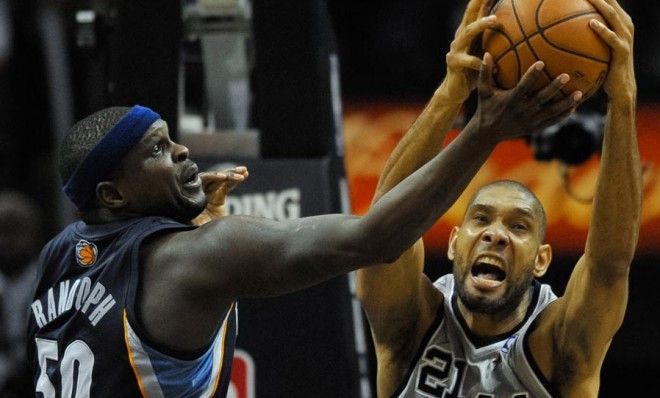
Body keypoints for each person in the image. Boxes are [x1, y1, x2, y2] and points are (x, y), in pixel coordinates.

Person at [26, 9, 578, 396]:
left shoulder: (58, 255)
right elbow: (376, 239)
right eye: (157, 152)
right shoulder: (195, 256)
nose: (182, 151)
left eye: (172, 138)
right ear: (113, 193)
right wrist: (482, 130)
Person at [356, 0, 640, 396]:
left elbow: (609, 263)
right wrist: (453, 88)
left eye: (518, 225)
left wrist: (623, 101)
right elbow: (383, 233)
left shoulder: (558, 344)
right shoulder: (413, 323)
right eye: (481, 219)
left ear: (542, 259)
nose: (495, 234)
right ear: (454, 243)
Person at [0, 190, 41, 397]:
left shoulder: (49, 284)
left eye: (14, 230)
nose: (5, 241)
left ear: (34, 234)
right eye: (1, 231)